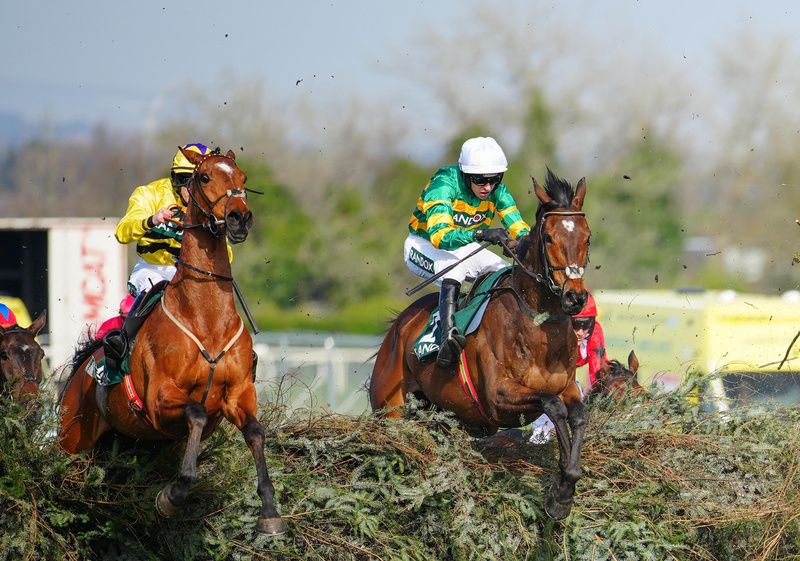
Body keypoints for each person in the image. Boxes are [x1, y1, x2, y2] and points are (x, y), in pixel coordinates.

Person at [404, 136, 530, 368]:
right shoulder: (443, 184)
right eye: (481, 180)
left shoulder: (497, 190)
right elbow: (440, 237)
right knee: (455, 270)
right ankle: (447, 341)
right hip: (423, 246)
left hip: (466, 247)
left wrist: (524, 243)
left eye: (495, 179)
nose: (488, 187)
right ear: (465, 174)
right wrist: (482, 234)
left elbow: (518, 226)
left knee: (505, 272)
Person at [114, 142, 215, 297]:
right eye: (185, 179)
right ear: (175, 177)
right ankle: (130, 321)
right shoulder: (149, 194)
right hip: (151, 269)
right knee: (164, 293)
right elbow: (122, 233)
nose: (192, 188)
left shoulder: (210, 208)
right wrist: (151, 220)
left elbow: (226, 256)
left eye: (200, 181)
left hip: (190, 274)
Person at [529, 291, 608, 443]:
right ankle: (539, 438)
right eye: (576, 325)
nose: (581, 333)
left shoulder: (595, 332)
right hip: (545, 378)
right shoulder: (555, 330)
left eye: (587, 325)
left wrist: (600, 403)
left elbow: (597, 371)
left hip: (568, 379)